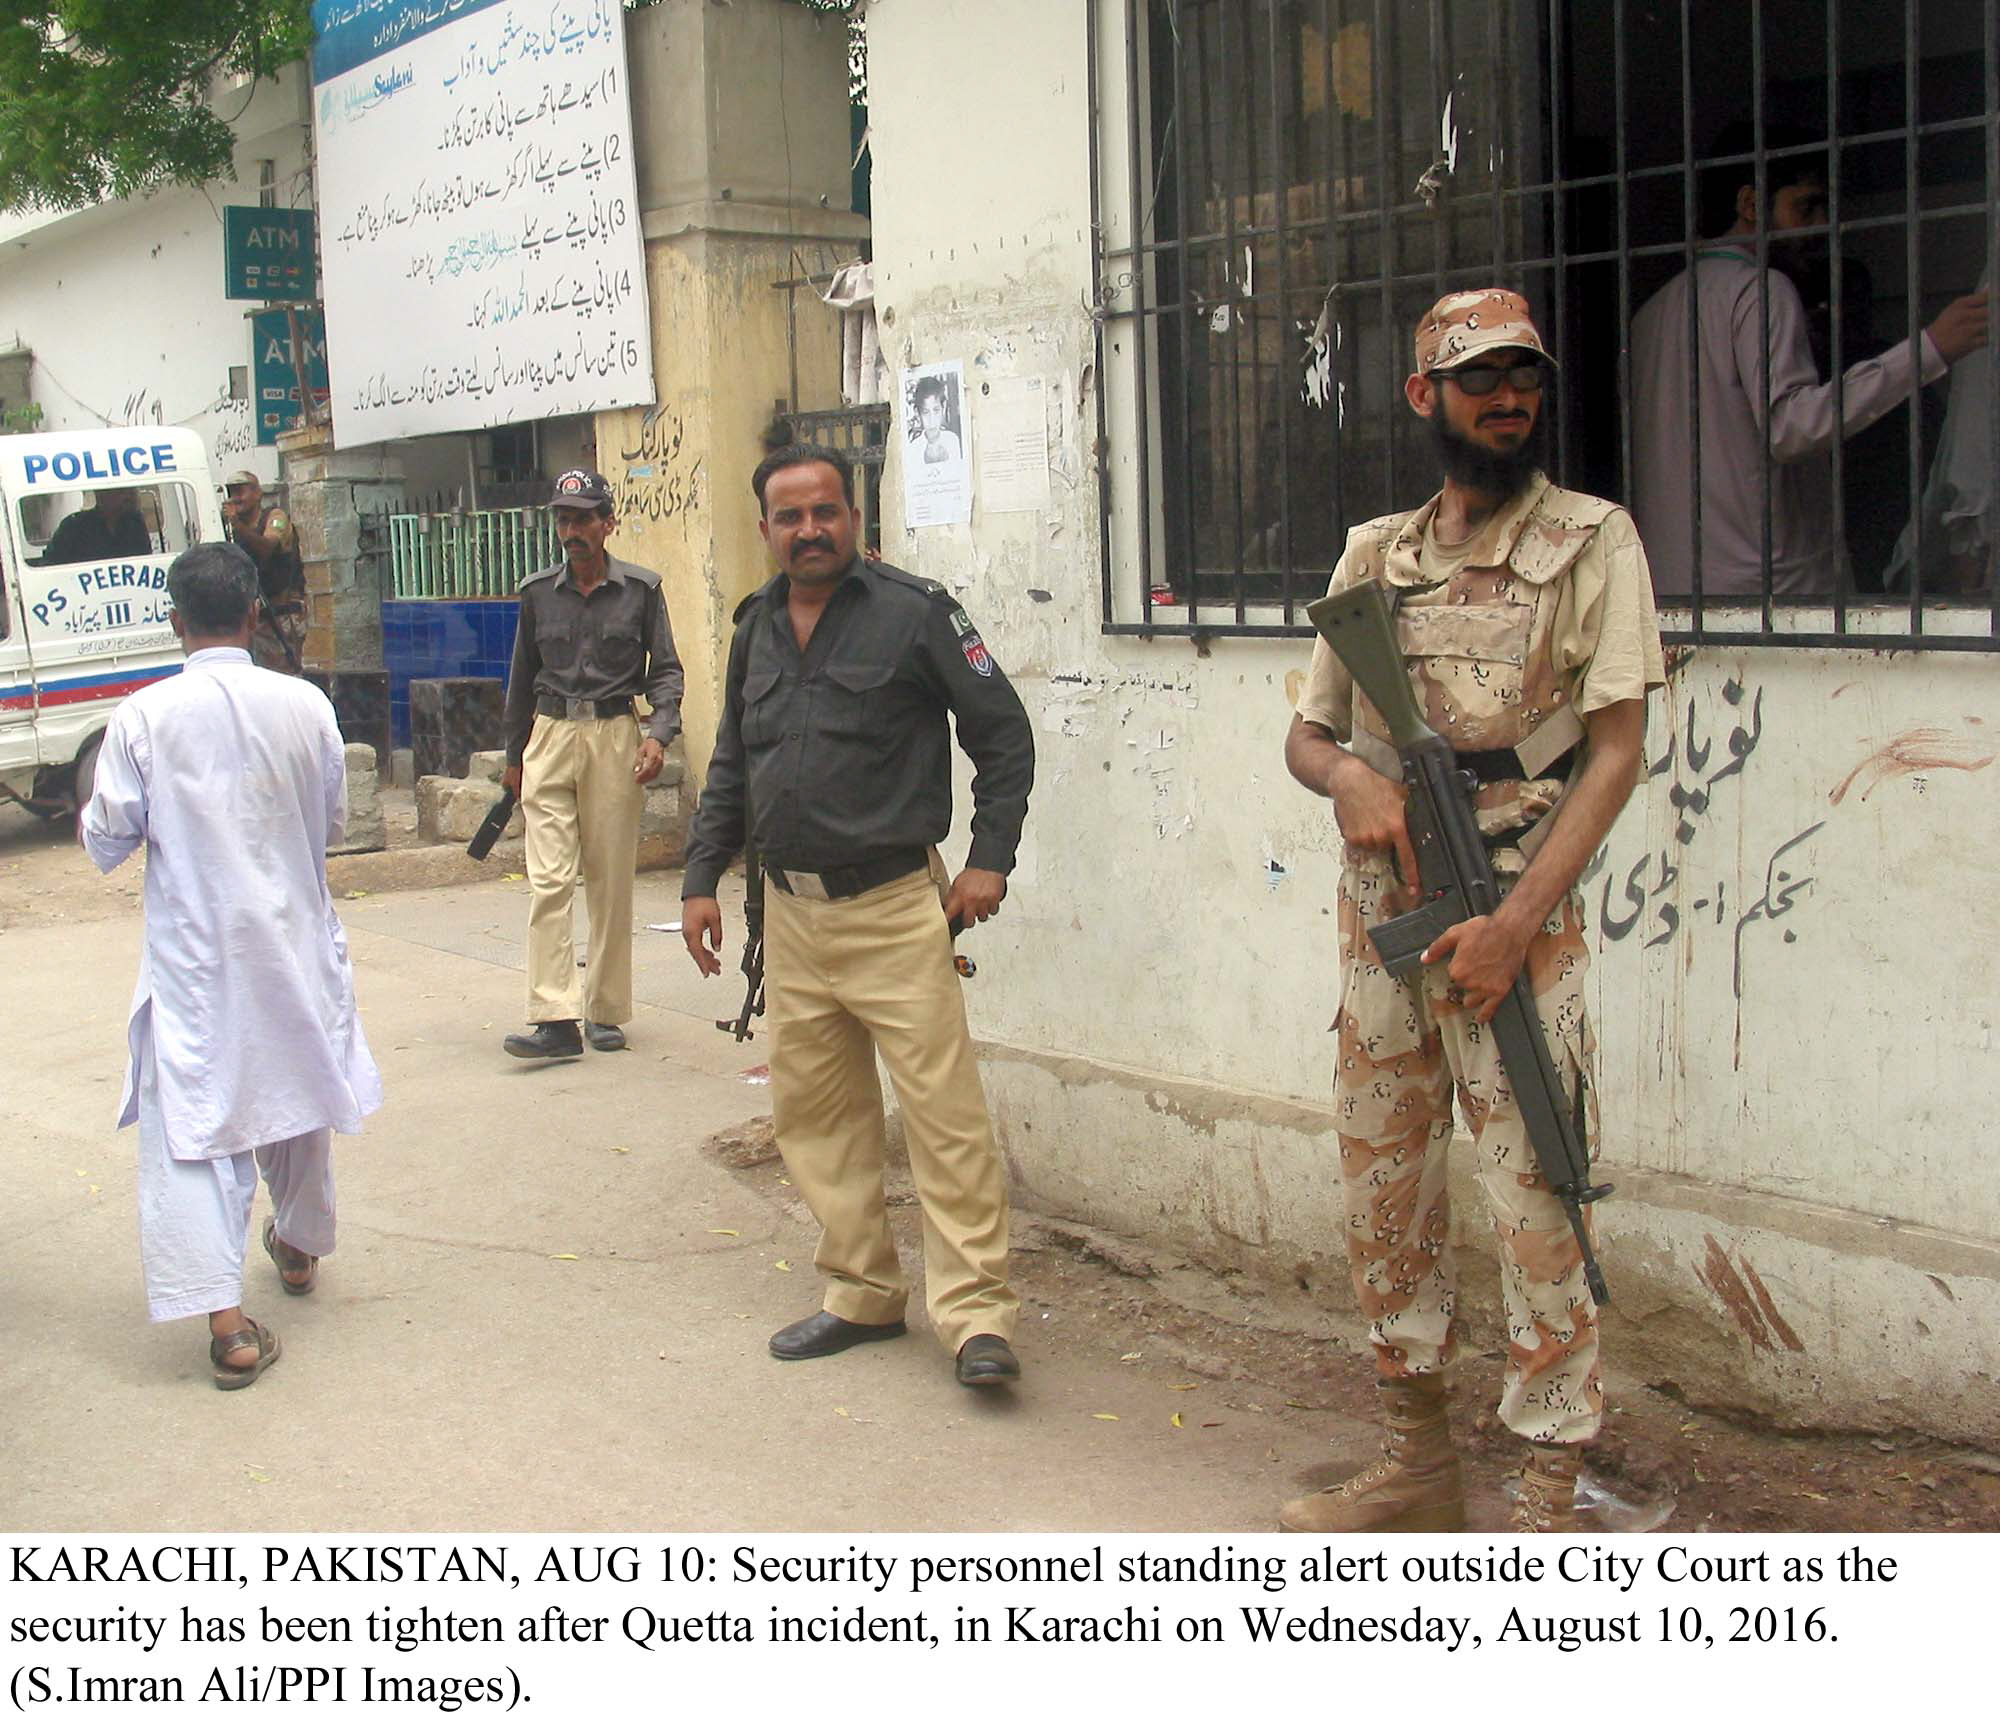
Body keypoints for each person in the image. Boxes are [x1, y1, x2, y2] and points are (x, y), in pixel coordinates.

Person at [1281, 288, 1664, 1534]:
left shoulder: (1592, 540)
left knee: (1535, 1193)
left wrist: (1513, 924)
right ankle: (1415, 1459)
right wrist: (1345, 777)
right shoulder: (1371, 557)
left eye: (1525, 376)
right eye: (1479, 376)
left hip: (1521, 912)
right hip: (1386, 915)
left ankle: (1550, 1481)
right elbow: (1308, 729)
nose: (1509, 397)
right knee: (1382, 1181)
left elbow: (1612, 755)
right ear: (1422, 398)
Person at [680, 444, 1034, 1389]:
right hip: (789, 916)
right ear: (766, 530)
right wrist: (699, 876)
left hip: (891, 909)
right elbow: (732, 764)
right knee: (818, 1115)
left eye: (825, 511)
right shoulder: (754, 625)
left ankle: (975, 1316)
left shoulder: (918, 615)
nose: (809, 530)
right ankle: (863, 1292)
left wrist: (989, 858)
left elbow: (1002, 733)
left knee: (942, 1118)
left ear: (854, 516)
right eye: (789, 516)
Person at [79, 543, 381, 1388]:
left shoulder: (143, 715)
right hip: (289, 938)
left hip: (198, 960)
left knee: (200, 1124)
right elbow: (329, 817)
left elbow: (106, 838)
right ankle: (297, 1247)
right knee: (298, 1091)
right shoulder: (306, 704)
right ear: (254, 615)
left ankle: (228, 1325)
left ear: (176, 622)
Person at [1630, 125, 1990, 597]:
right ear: (1751, 206)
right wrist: (1929, 350)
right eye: (1806, 206)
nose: (1822, 224)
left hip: (1672, 590)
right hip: (1770, 593)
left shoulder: (1651, 311)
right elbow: (1792, 427)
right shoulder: (1762, 289)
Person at [498, 468, 684, 1061]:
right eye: (563, 519)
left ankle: (605, 1010)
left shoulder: (642, 590)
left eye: (583, 518)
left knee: (609, 882)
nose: (571, 530)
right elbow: (520, 681)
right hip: (550, 735)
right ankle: (555, 1016)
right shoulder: (535, 593)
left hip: (614, 736)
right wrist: (512, 759)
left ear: (608, 523)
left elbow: (667, 672)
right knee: (548, 880)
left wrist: (659, 734)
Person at [223, 470, 306, 673]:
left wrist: (237, 525)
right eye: (232, 492)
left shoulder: (275, 517)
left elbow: (267, 547)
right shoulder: (232, 529)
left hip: (281, 614)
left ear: (258, 493)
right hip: (253, 617)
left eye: (241, 491)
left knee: (283, 673)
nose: (236, 498)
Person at [33, 486, 151, 565]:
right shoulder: (73, 526)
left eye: (133, 491)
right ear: (101, 495)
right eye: (121, 492)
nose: (130, 496)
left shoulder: (135, 523)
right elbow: (50, 565)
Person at [913, 377, 963, 466]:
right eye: (926, 412)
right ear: (918, 413)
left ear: (943, 408)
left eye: (936, 411)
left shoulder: (952, 441)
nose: (932, 420)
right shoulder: (914, 448)